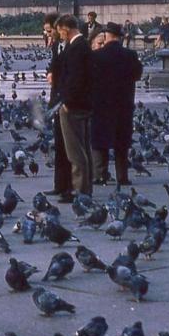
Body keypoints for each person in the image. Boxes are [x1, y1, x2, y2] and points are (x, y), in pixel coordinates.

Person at [90, 22, 143, 186]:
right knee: (122, 142)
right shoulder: (130, 55)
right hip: (123, 104)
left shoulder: (97, 56)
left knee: (100, 141)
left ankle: (100, 174)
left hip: (101, 104)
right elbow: (137, 75)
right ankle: (122, 176)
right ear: (120, 37)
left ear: (106, 36)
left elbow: (89, 79)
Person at [55, 14, 94, 198]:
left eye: (59, 31)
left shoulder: (77, 48)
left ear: (65, 28)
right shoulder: (81, 45)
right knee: (83, 147)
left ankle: (80, 190)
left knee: (75, 151)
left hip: (74, 105)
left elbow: (75, 79)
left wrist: (68, 102)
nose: (59, 35)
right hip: (83, 103)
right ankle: (84, 188)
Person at [43, 13, 72, 198]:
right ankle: (60, 184)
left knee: (66, 145)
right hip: (56, 99)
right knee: (59, 144)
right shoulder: (56, 46)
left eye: (49, 30)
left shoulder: (68, 46)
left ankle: (67, 186)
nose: (47, 34)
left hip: (64, 100)